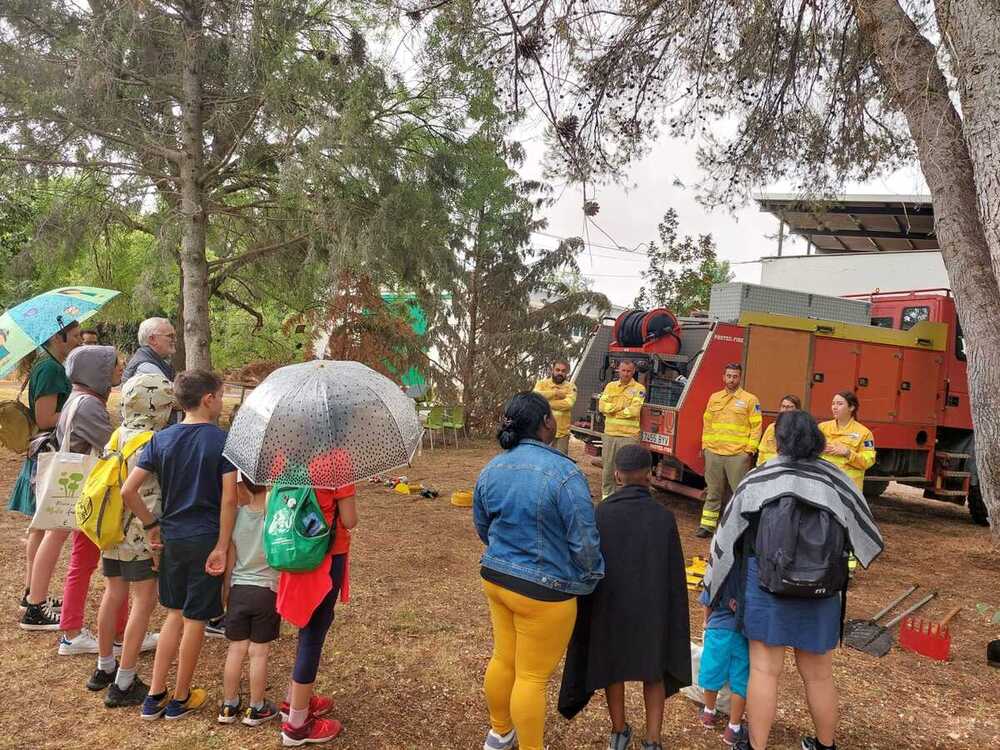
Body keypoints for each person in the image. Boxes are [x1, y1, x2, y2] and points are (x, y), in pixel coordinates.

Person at [702, 410, 885, 750]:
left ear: (779, 440)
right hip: (822, 589)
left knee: (764, 671)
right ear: (817, 439)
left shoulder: (759, 479)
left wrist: (711, 591)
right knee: (819, 675)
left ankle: (755, 745)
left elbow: (724, 541)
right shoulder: (837, 479)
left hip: (765, 586)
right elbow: (869, 539)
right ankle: (825, 744)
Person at [474, 392, 604, 750]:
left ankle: (499, 733)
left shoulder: (492, 468)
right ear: (548, 422)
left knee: (503, 659)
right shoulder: (565, 473)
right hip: (546, 593)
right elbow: (585, 540)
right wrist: (591, 578)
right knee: (531, 677)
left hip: (498, 580)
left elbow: (483, 526)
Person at [121, 369, 238, 720]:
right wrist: (221, 546)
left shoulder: (161, 439)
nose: (221, 400)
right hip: (205, 538)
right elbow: (229, 500)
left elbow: (129, 490)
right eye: (220, 395)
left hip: (172, 536)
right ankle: (181, 696)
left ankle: (155, 694)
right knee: (196, 617)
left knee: (173, 614)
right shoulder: (221, 441)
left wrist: (152, 525)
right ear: (208, 400)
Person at [558, 444, 690, 750]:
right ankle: (653, 740)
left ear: (617, 475)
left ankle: (619, 732)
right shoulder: (663, 517)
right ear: (650, 474)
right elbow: (674, 575)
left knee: (612, 667)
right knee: (653, 668)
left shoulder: (602, 513)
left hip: (612, 607)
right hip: (653, 609)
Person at [22, 345, 130, 654]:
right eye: (113, 365)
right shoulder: (89, 406)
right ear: (96, 370)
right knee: (101, 563)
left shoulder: (77, 399)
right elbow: (112, 449)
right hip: (93, 494)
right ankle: (98, 633)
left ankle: (73, 630)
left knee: (82, 562)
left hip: (82, 493)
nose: (119, 370)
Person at [96, 374, 176, 707]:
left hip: (111, 528)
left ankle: (104, 666)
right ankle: (125, 681)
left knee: (113, 593)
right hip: (142, 531)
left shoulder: (118, 434)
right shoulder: (153, 441)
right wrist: (153, 526)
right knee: (144, 600)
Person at [276, 455, 357, 746]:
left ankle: (294, 699)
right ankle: (298, 724)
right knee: (313, 634)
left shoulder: (283, 458)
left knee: (305, 626)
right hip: (324, 556)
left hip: (294, 552)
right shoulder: (337, 461)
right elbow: (350, 520)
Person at [13, 321, 82, 630]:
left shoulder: (50, 365)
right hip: (47, 455)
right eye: (76, 335)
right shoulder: (51, 369)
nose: (80, 340)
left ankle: (32, 592)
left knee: (39, 529)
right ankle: (34, 603)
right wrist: (76, 409)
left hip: (45, 455)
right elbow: (45, 418)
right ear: (58, 336)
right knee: (44, 527)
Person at [217, 474, 280, 727]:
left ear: (243, 486)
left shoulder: (237, 517)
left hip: (239, 590)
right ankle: (257, 707)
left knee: (236, 649)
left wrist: (225, 593)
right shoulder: (275, 516)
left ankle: (229, 705)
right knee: (259, 652)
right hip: (267, 590)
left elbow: (230, 561)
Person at [697, 363, 762, 539]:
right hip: (714, 452)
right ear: (723, 377)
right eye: (728, 376)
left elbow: (756, 427)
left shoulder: (750, 400)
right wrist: (705, 446)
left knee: (738, 493)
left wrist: (750, 450)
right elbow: (707, 423)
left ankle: (740, 529)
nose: (731, 379)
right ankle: (707, 526)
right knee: (713, 491)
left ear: (740, 378)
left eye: (735, 376)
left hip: (737, 455)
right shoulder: (714, 398)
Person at [819, 391, 876, 575]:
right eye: (833, 403)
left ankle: (848, 570)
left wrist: (847, 453)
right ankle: (822, 564)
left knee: (848, 529)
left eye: (840, 404)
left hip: (848, 490)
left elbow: (868, 461)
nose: (834, 407)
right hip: (824, 487)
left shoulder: (863, 433)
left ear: (851, 407)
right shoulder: (822, 428)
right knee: (823, 527)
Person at [696, 571, 748, 746]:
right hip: (743, 633)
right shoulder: (752, 570)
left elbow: (707, 600)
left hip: (718, 630)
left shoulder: (717, 569)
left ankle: (708, 713)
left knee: (712, 671)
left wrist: (706, 622)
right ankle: (733, 728)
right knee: (740, 681)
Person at [597, 360, 646, 500]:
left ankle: (627, 499)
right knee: (608, 469)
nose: (626, 373)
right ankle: (607, 498)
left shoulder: (639, 388)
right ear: (618, 370)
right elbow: (601, 407)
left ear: (634, 371)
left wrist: (612, 410)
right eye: (623, 370)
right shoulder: (610, 386)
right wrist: (621, 409)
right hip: (610, 435)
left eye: (629, 371)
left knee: (629, 470)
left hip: (629, 436)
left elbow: (634, 411)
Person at [532, 360, 577, 455]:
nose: (560, 373)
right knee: (541, 460)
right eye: (557, 370)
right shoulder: (541, 384)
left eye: (563, 371)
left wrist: (544, 402)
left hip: (561, 434)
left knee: (559, 462)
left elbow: (568, 404)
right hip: (542, 431)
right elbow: (535, 397)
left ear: (567, 373)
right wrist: (555, 393)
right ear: (552, 370)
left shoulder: (571, 387)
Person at [756, 394, 801, 466]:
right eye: (783, 406)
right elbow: (762, 450)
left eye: (789, 407)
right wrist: (759, 467)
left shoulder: (801, 428)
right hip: (768, 466)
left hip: (788, 467)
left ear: (797, 409)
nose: (785, 409)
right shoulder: (772, 427)